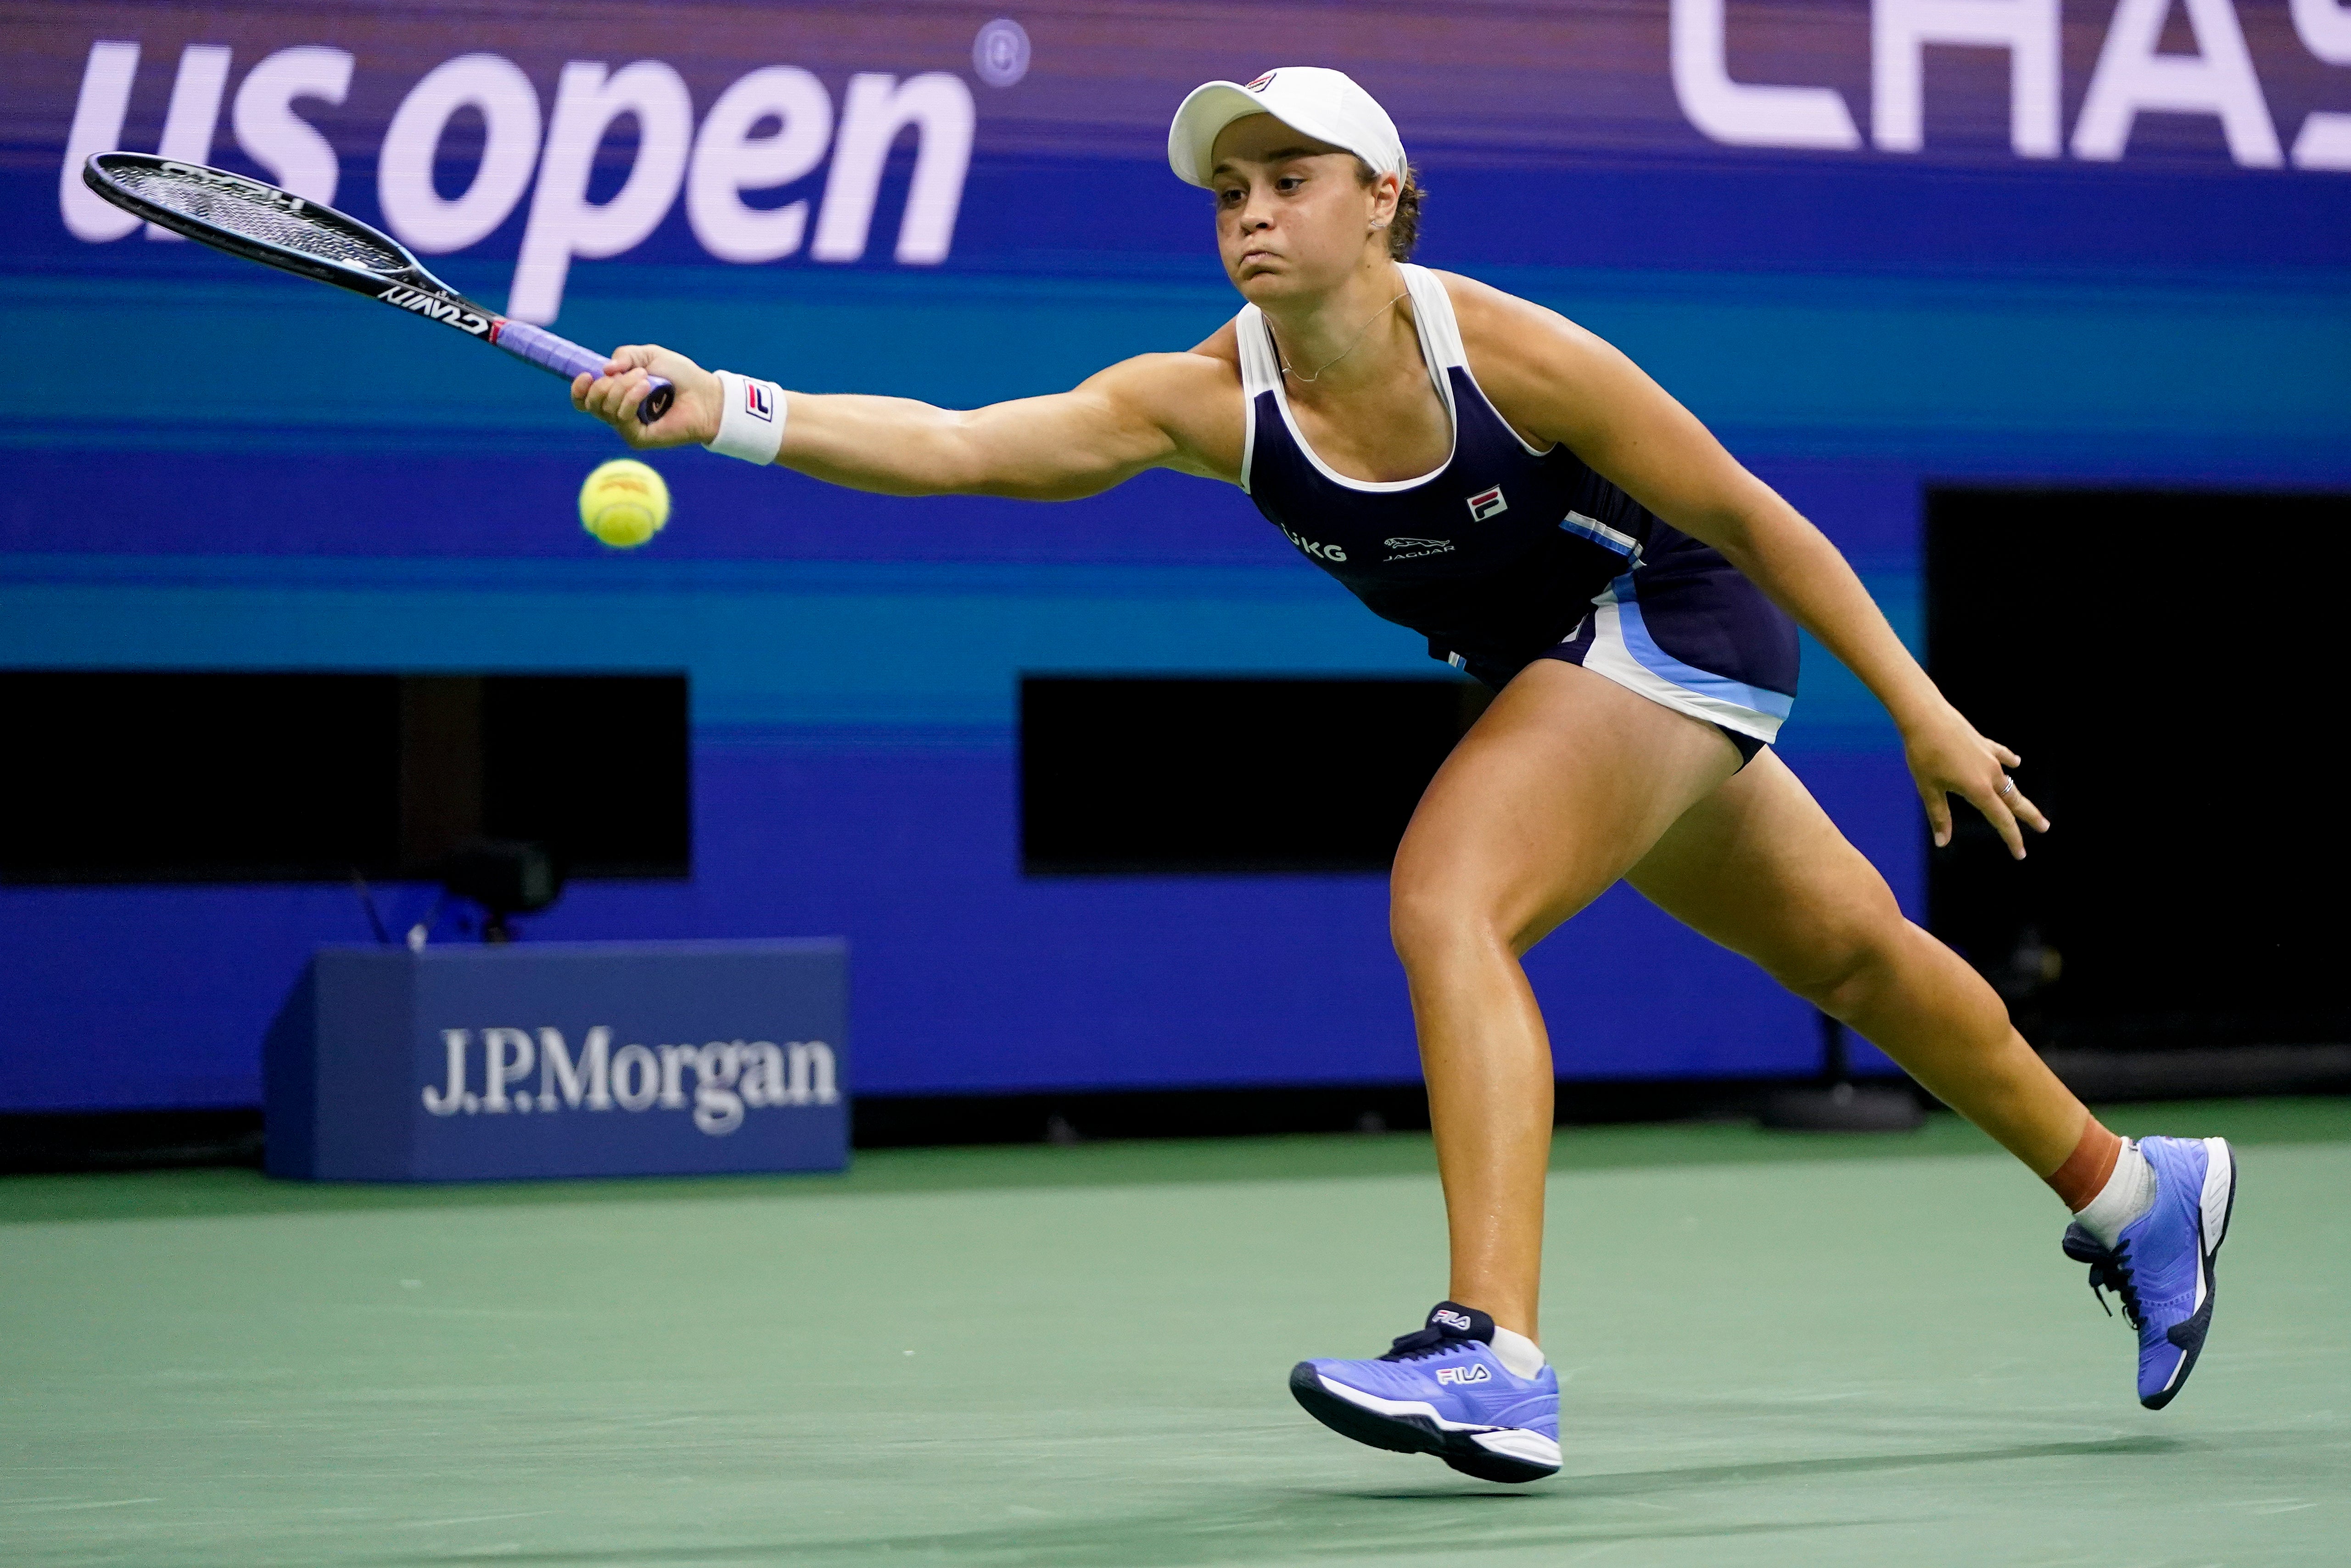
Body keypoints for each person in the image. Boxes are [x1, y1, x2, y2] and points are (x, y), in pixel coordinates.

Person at [573, 67, 2236, 1483]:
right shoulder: (1203, 398)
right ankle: (2135, 1190)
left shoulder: (1511, 355)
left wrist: (1922, 712)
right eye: (1228, 189)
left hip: (1671, 619)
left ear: (1383, 202)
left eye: (1288, 180)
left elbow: (1753, 517)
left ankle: (1492, 1351)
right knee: (1852, 956)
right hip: (1552, 671)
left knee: (1450, 899)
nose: (1250, 213)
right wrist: (726, 404)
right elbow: (960, 445)